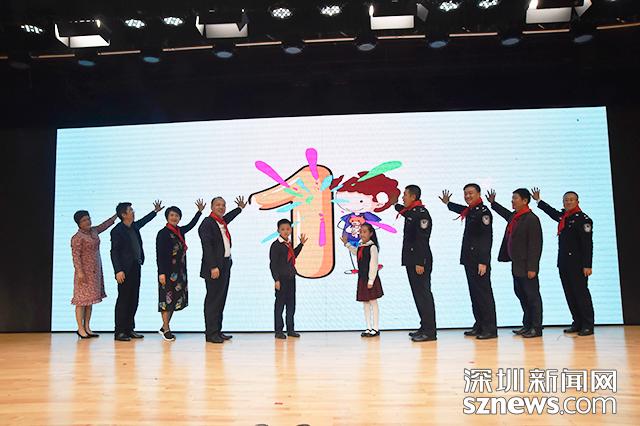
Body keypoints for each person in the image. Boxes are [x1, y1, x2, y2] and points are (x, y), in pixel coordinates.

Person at [531, 187, 594, 336]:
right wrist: (539, 201)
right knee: (570, 294)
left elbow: (587, 244)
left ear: (577, 201)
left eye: (571, 200)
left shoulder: (583, 219)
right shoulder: (565, 217)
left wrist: (587, 265)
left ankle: (588, 324)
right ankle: (577, 322)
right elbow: (552, 213)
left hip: (578, 264)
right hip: (564, 263)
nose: (568, 202)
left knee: (581, 294)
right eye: (566, 200)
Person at [439, 184, 497, 339]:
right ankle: (479, 325)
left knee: (484, 295)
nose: (468, 196)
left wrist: (483, 261)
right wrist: (448, 203)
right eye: (465, 194)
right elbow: (461, 209)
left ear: (479, 194)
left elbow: (486, 238)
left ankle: (490, 328)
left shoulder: (484, 212)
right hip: (470, 260)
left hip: (479, 261)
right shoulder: (471, 210)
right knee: (475, 294)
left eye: (471, 193)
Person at [488, 188, 543, 338]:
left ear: (525, 201)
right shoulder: (516, 216)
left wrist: (533, 268)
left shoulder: (531, 219)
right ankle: (527, 325)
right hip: (517, 264)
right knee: (522, 295)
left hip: (527, 266)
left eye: (515, 198)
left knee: (532, 297)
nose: (512, 201)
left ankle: (536, 328)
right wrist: (493, 203)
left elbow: (535, 245)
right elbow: (505, 214)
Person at [110, 200, 164, 341]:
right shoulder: (117, 231)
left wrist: (155, 212)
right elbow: (114, 252)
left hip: (135, 266)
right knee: (123, 300)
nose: (133, 212)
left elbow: (144, 221)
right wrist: (118, 270)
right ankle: (120, 331)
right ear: (123, 214)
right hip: (124, 270)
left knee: (134, 299)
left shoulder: (133, 226)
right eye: (130, 210)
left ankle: (129, 329)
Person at [155, 199, 205, 341]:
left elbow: (191, 225)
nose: (174, 218)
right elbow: (160, 254)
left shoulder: (180, 231)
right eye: (172, 215)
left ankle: (164, 326)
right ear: (167, 217)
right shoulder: (163, 233)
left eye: (177, 215)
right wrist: (161, 273)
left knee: (174, 300)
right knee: (166, 300)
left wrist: (199, 212)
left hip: (180, 272)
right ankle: (166, 328)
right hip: (167, 272)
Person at [199, 195, 246, 344]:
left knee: (220, 299)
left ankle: (217, 331)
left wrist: (239, 208)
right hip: (214, 267)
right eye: (218, 204)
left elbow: (229, 217)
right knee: (213, 300)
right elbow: (207, 247)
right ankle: (211, 333)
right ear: (212, 207)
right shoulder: (207, 223)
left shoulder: (221, 222)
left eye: (223, 205)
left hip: (225, 265)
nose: (221, 207)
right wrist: (213, 266)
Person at [395, 184, 437, 342]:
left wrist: (420, 262)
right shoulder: (412, 211)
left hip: (420, 261)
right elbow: (405, 213)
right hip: (412, 260)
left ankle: (430, 331)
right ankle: (424, 326)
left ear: (413, 197)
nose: (403, 197)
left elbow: (422, 239)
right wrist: (394, 204)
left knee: (424, 295)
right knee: (418, 295)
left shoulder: (421, 214)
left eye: (405, 195)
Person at [70, 210, 117, 338]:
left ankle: (87, 327)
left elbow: (104, 225)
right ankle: (80, 328)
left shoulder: (94, 231)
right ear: (79, 223)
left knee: (89, 300)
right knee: (81, 301)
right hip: (83, 272)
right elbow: (76, 256)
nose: (88, 222)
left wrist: (116, 215)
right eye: (84, 220)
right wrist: (80, 272)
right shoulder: (77, 237)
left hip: (95, 270)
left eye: (88, 218)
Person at [341, 222, 384, 337]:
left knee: (373, 302)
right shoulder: (361, 245)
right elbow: (356, 252)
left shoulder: (372, 247)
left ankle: (375, 328)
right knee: (365, 303)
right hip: (362, 278)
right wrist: (347, 244)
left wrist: (371, 280)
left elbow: (373, 264)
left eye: (365, 232)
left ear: (371, 233)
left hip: (370, 278)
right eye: (360, 232)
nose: (362, 234)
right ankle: (368, 327)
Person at [269, 219, 307, 339]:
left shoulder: (289, 243)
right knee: (280, 305)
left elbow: (293, 255)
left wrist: (301, 245)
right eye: (283, 229)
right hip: (281, 279)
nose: (285, 231)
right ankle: (278, 331)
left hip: (291, 278)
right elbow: (273, 264)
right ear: (278, 230)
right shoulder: (276, 245)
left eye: (287, 229)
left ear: (290, 230)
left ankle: (290, 329)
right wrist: (276, 279)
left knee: (291, 305)